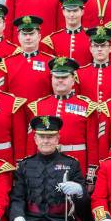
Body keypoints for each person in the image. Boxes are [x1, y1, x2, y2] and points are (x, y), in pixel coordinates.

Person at [27, 57, 98, 186]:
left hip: (76, 165)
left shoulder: (87, 106)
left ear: (73, 79)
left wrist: (91, 174)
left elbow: (92, 144)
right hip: (44, 165)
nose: (60, 80)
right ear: (51, 79)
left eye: (64, 77)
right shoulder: (38, 106)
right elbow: (32, 142)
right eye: (56, 77)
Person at [0, 16, 53, 111]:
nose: (28, 38)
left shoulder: (50, 62)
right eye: (24, 34)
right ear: (18, 37)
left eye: (32, 34)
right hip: (17, 114)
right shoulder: (6, 63)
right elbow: (2, 96)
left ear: (39, 37)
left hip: (43, 116)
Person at [41, 0, 92, 66]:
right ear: (63, 12)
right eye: (68, 11)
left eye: (75, 11)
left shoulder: (91, 37)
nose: (71, 14)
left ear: (82, 12)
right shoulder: (52, 40)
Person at [76, 26, 111, 103]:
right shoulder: (79, 73)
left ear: (110, 49)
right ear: (90, 49)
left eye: (103, 46)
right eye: (96, 46)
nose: (99, 49)